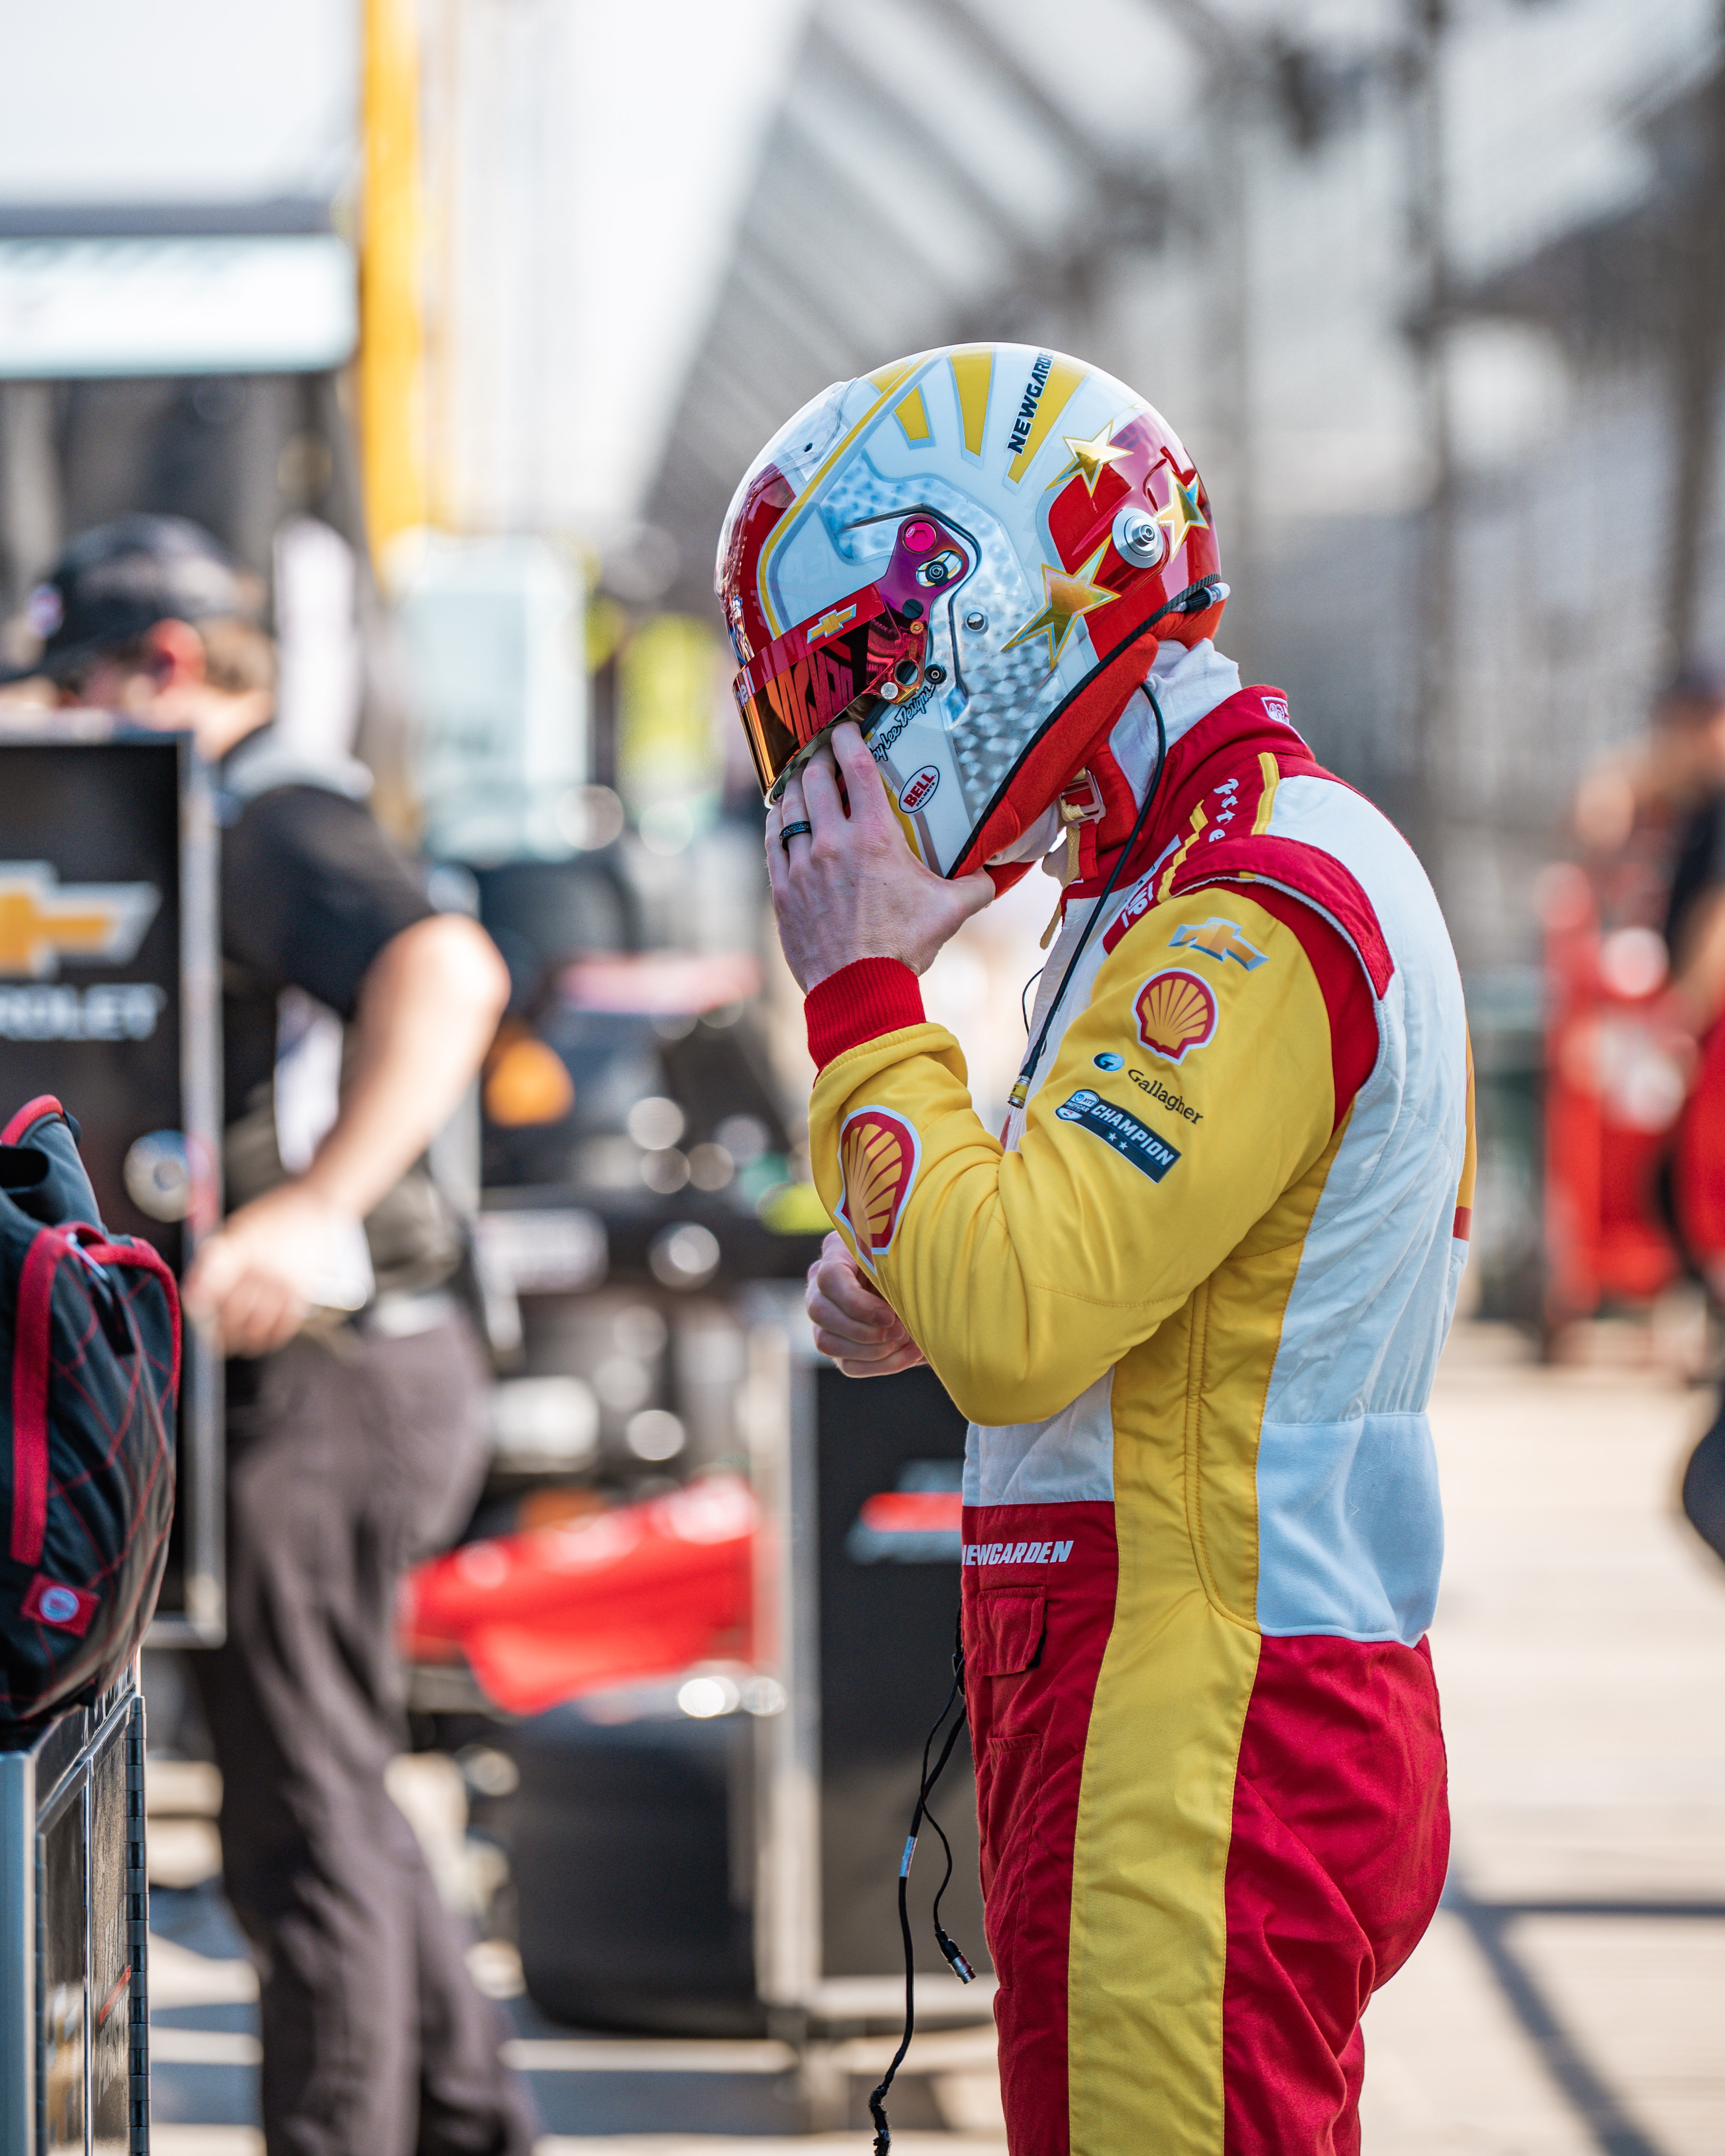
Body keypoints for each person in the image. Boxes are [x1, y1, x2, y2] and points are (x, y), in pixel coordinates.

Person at [722, 347, 1469, 2154]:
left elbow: (1025, 1329)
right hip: (1167, 1684)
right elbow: (1105, 1274)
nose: (840, 762)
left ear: (987, 623)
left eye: (861, 689)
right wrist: (926, 1269)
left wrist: (863, 993)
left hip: (1199, 1717)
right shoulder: (1177, 873)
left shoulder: (1252, 906)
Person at [18, 516, 532, 2156]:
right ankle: (467, 2119)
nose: (62, 729)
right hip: (356, 1368)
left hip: (335, 1371)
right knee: (338, 1782)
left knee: (299, 1819)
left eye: (75, 691)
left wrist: (315, 1206)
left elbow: (447, 968)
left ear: (165, 664)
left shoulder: (261, 805)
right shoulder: (227, 807)